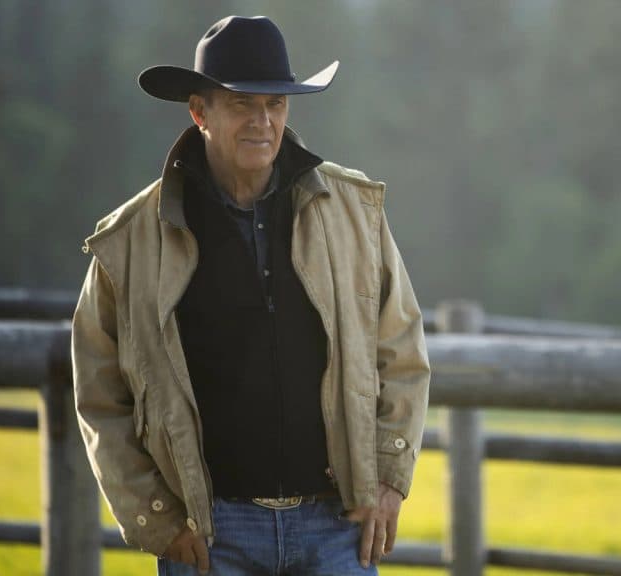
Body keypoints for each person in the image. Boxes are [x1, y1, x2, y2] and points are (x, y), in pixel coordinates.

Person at [71, 15, 431, 575]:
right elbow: (99, 393)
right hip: (209, 537)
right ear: (199, 112)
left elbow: (402, 348)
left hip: (337, 526)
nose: (262, 122)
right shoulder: (130, 241)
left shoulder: (355, 212)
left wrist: (389, 476)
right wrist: (155, 517)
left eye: (276, 104)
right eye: (242, 104)